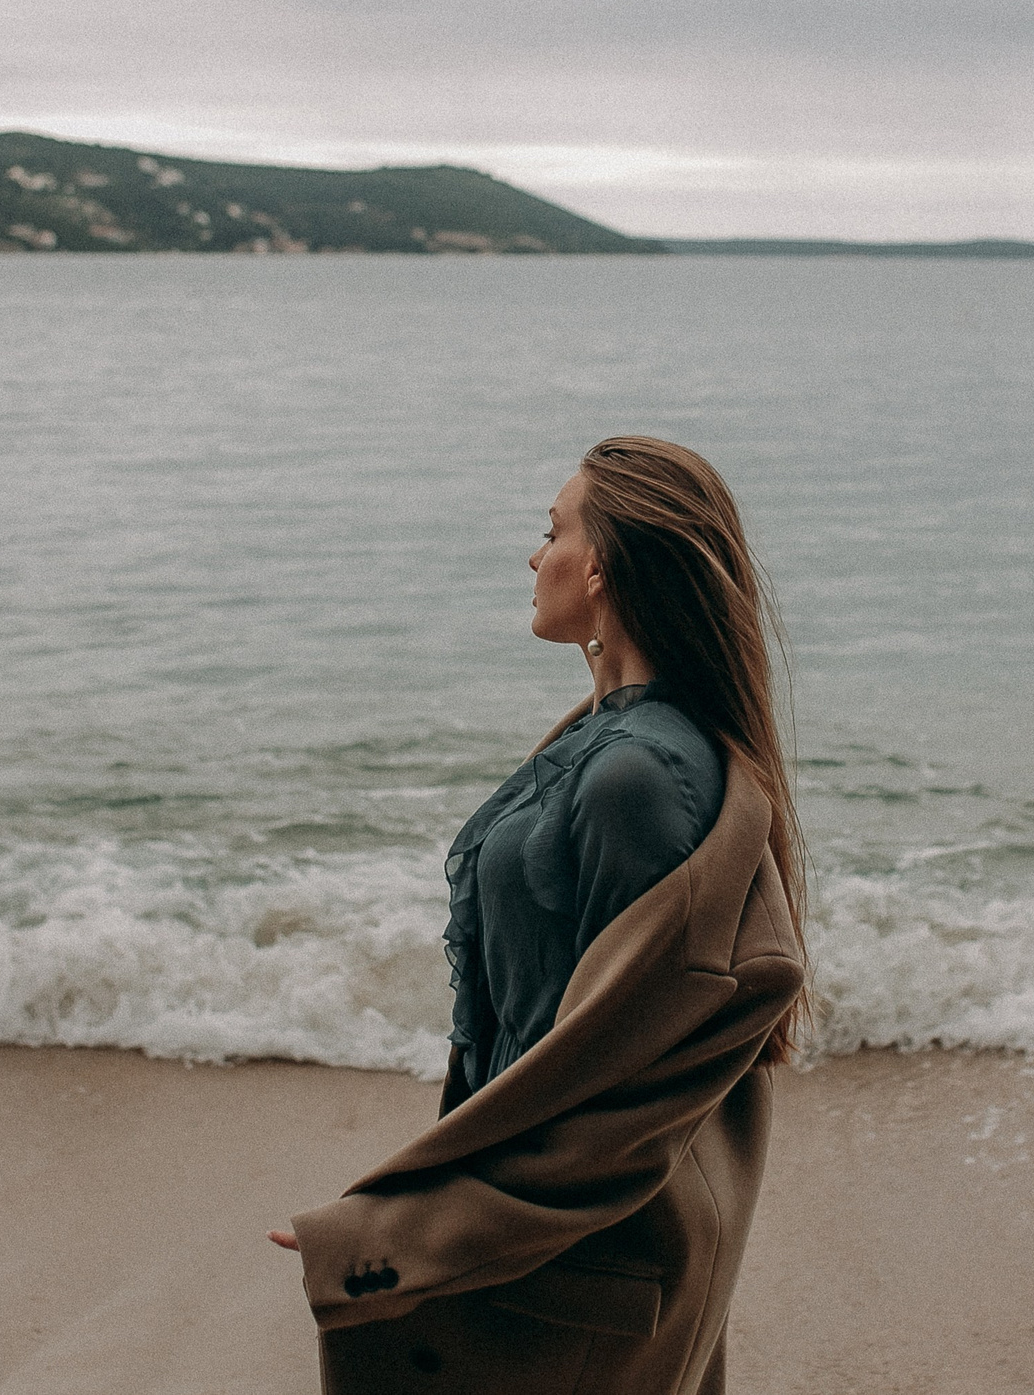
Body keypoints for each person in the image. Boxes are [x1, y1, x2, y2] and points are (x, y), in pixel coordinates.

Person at [270, 435, 811, 1394]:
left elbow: (624, 1083)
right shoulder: (615, 741)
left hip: (569, 1275)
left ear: (601, 565)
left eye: (552, 529)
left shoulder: (636, 775)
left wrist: (397, 1235)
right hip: (548, 1254)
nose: (535, 556)